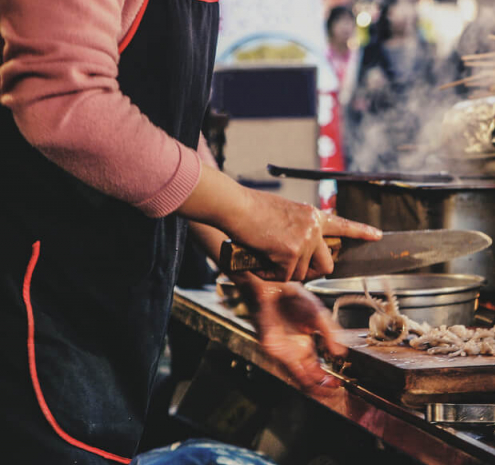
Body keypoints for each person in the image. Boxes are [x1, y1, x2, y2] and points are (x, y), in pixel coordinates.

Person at [0, 0, 382, 464]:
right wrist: (248, 211)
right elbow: (63, 101)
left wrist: (252, 270)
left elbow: (160, 123)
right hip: (33, 313)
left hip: (99, 319)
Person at [347, 0, 437, 171]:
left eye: (409, 6)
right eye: (399, 6)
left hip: (418, 131)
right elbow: (357, 96)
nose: (405, 11)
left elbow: (437, 91)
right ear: (388, 13)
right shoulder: (372, 50)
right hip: (380, 133)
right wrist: (369, 87)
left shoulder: (426, 49)